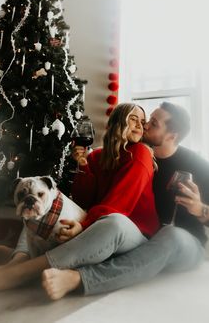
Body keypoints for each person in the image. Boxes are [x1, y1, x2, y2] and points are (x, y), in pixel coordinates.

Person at [0, 103, 160, 291]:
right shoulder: (97, 156)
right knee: (42, 207)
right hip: (98, 224)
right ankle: (18, 258)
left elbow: (119, 204)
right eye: (133, 119)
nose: (140, 126)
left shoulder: (140, 153)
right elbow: (82, 200)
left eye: (142, 121)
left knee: (114, 222)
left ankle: (24, 271)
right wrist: (83, 165)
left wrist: (84, 225)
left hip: (134, 233)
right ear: (117, 122)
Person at [41, 102, 209, 300]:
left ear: (172, 136)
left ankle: (80, 279)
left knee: (171, 235)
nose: (144, 126)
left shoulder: (198, 165)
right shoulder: (137, 153)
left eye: (153, 124)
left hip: (187, 242)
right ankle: (25, 256)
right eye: (145, 121)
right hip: (147, 237)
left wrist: (200, 209)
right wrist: (84, 166)